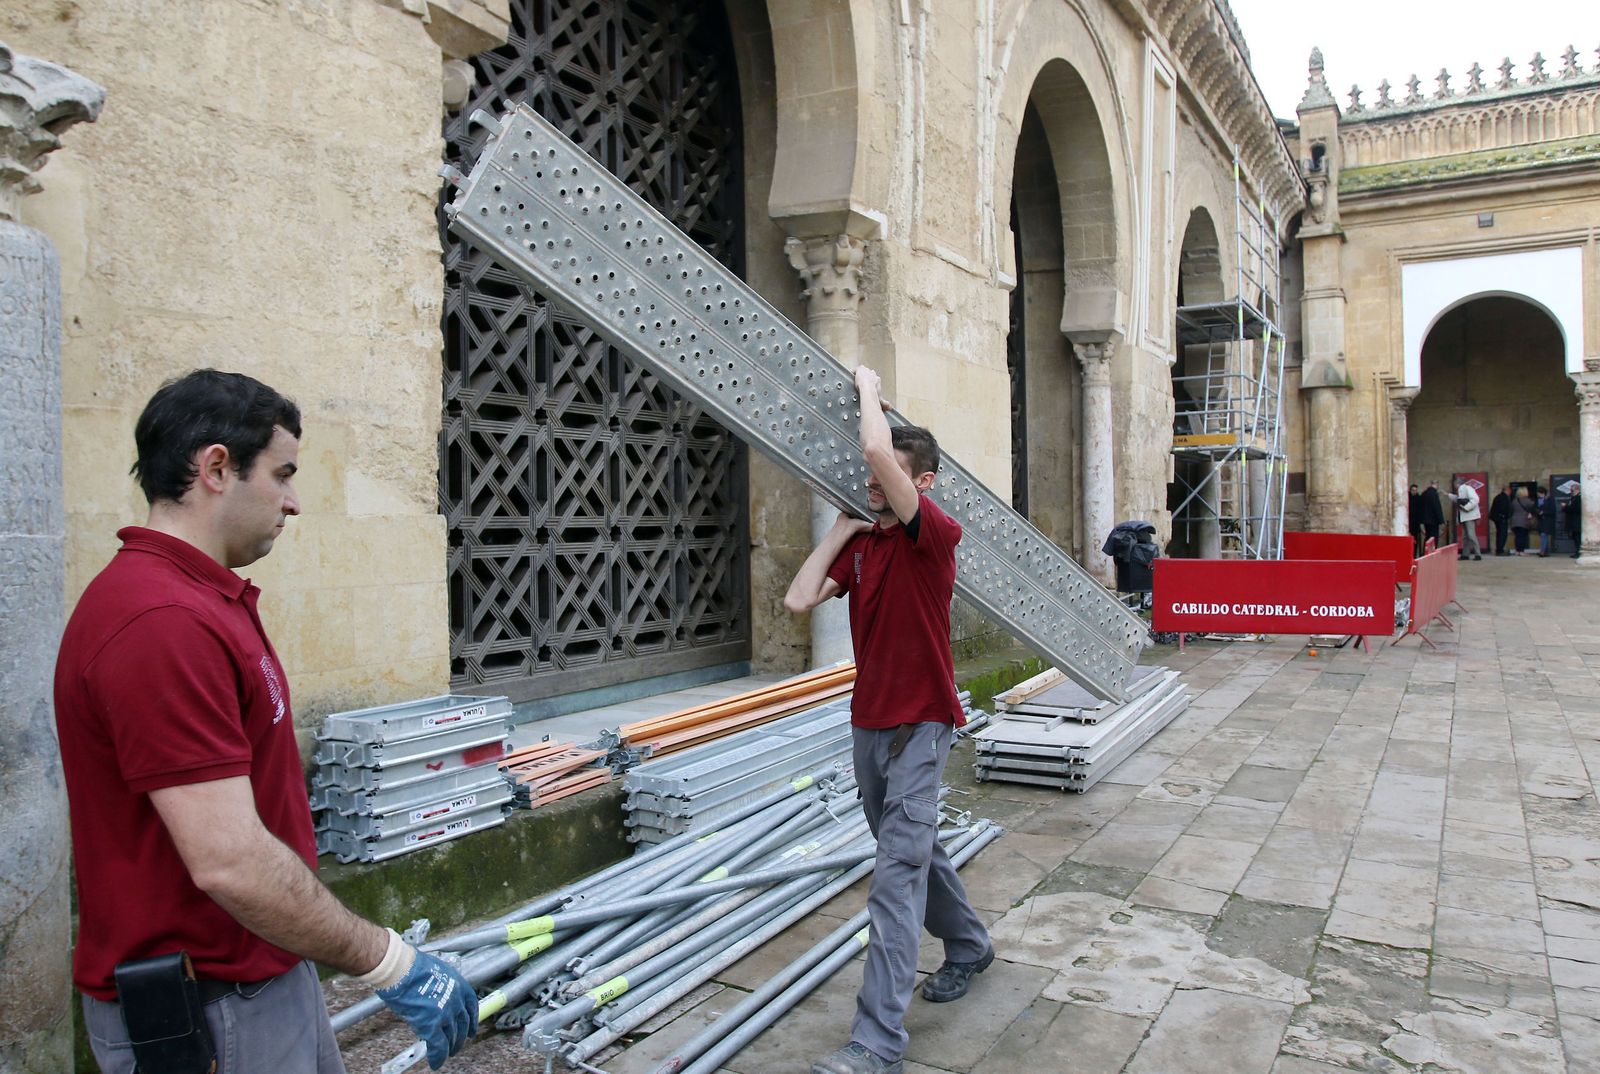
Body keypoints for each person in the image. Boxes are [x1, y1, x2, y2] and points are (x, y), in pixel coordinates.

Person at [55, 371, 478, 1074]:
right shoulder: (159, 622)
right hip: (210, 1017)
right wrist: (391, 963)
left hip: (260, 981)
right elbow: (229, 859)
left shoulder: (201, 600)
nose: (294, 502)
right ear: (215, 468)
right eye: (282, 475)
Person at [784, 365, 992, 1074]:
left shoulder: (932, 535)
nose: (872, 487)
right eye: (871, 486)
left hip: (922, 725)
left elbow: (877, 451)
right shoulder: (869, 547)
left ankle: (877, 1045)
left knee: (894, 878)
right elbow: (798, 599)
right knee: (916, 852)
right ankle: (968, 944)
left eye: (886, 482)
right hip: (868, 727)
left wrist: (867, 390)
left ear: (921, 483)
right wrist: (841, 529)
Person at [1454, 480, 1482, 560]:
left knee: (1471, 535)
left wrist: (1466, 508)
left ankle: (1478, 554)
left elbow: (1475, 499)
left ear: (1458, 484)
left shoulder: (1467, 488)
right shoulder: (1462, 490)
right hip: (1465, 516)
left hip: (1469, 515)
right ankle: (1465, 554)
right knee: (1466, 536)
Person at [1419, 480, 1445, 551]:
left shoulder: (1424, 493)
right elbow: (1437, 508)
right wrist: (1441, 521)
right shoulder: (1434, 494)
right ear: (1436, 484)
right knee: (1433, 537)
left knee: (1428, 537)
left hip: (1425, 520)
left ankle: (1425, 551)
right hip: (1433, 520)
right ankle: (1432, 551)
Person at [1488, 483, 1513, 556]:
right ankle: (1500, 550)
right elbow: (1504, 508)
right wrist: (1506, 516)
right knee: (1502, 534)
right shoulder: (1504, 498)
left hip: (1497, 518)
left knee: (1499, 534)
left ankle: (1499, 549)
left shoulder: (1498, 497)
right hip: (1502, 518)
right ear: (1507, 490)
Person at [1511, 484, 1536, 555]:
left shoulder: (1514, 501)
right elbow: (1533, 508)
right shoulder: (1527, 501)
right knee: (1522, 536)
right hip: (1523, 521)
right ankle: (1521, 551)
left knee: (1517, 536)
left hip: (1514, 521)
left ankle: (1517, 551)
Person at [1536, 485, 1556, 557]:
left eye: (1538, 493)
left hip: (1547, 520)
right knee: (1544, 536)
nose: (1538, 494)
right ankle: (1546, 551)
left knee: (1544, 535)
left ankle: (1542, 551)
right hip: (1541, 520)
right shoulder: (1538, 500)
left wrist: (1543, 512)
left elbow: (1553, 510)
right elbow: (1534, 508)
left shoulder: (1550, 499)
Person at [1566, 484, 1583, 558]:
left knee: (1578, 538)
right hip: (1572, 521)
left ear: (1577, 490)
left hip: (1577, 521)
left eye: (1572, 490)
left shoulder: (1578, 498)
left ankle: (1579, 552)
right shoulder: (1573, 498)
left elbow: (1575, 509)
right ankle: (1577, 551)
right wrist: (1566, 507)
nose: (1571, 492)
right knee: (1575, 537)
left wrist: (1566, 507)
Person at [1407, 483, 1424, 556]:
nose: (1414, 492)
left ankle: (1414, 554)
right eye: (1413, 490)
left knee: (1415, 540)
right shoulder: (1407, 498)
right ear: (1410, 490)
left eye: (1415, 490)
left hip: (1416, 523)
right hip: (1408, 522)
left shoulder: (1419, 498)